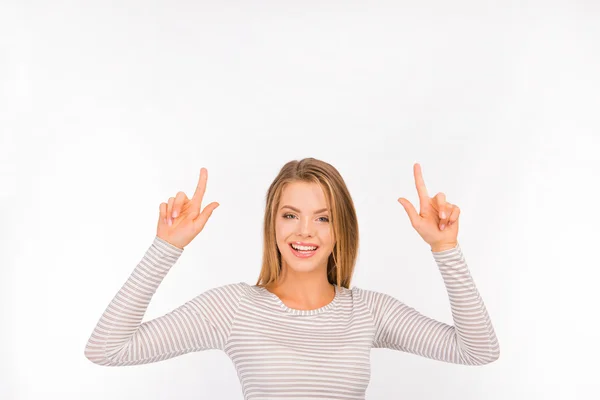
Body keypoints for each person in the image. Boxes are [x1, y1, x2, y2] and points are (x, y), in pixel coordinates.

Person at [84, 158, 500, 399]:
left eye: (322, 218)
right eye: (290, 215)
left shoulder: (368, 311)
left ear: (341, 229)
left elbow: (478, 350)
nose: (305, 231)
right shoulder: (234, 308)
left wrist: (445, 249)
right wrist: (166, 247)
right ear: (273, 224)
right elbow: (108, 349)